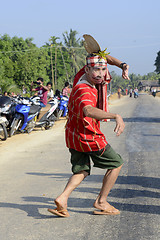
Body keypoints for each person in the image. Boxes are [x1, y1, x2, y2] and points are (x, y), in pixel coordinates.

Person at [48, 45, 129, 217]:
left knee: (81, 170)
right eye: (96, 70)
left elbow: (105, 58)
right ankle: (101, 201)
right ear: (87, 69)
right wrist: (116, 116)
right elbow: (88, 110)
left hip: (72, 135)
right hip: (88, 136)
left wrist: (122, 65)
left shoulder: (81, 78)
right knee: (116, 163)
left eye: (103, 69)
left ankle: (62, 199)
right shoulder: (85, 89)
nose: (100, 74)